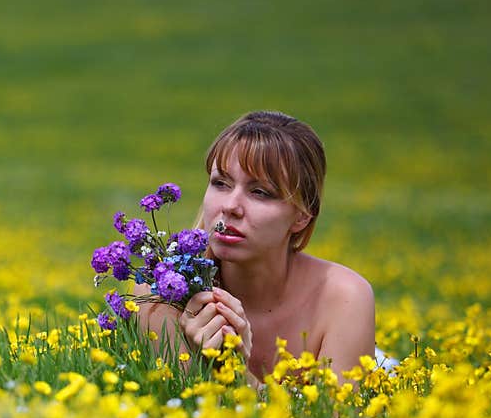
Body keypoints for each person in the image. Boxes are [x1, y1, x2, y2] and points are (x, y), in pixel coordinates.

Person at [136, 110, 380, 389]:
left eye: (260, 192)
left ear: (303, 216)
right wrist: (195, 362)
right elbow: (181, 408)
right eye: (220, 183)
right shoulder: (161, 295)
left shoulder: (344, 298)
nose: (230, 206)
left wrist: (234, 371)